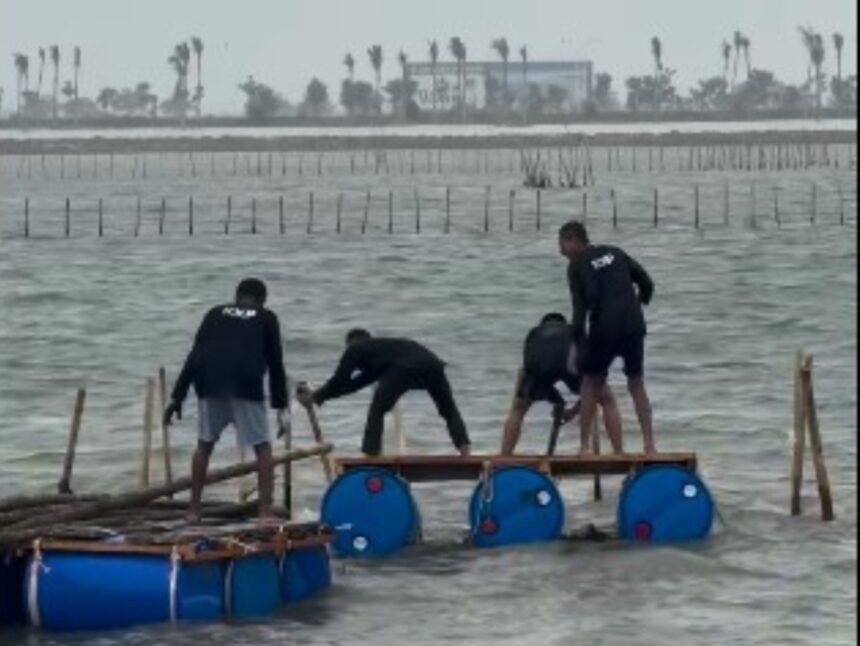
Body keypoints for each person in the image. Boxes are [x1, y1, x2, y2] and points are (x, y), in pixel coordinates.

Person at [163, 278, 289, 524]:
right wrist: (280, 407)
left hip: (210, 381)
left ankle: (193, 511)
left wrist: (177, 396)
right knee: (262, 448)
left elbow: (195, 354)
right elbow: (276, 362)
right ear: (262, 300)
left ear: (236, 296)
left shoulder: (214, 313)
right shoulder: (266, 316)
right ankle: (264, 512)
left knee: (204, 445)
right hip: (245, 383)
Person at [558, 220, 656, 455]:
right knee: (636, 383)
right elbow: (646, 282)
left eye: (562, 243)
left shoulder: (576, 266)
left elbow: (579, 310)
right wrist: (640, 301)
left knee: (591, 383)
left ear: (573, 240)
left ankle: (583, 447)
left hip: (605, 327)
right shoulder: (615, 252)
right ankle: (650, 445)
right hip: (633, 324)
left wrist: (578, 345)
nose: (560, 250)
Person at [297, 329, 471, 457]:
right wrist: (318, 397)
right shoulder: (382, 353)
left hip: (403, 369)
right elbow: (354, 385)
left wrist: (314, 397)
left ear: (350, 343)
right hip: (433, 365)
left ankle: (371, 456)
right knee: (448, 410)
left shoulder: (355, 349)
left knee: (377, 410)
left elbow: (339, 380)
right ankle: (465, 450)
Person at [500, 312, 624, 455]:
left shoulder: (534, 334)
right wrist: (574, 411)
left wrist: (557, 402)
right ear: (564, 323)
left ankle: (505, 454)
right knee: (607, 400)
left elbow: (529, 372)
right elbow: (592, 384)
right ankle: (616, 451)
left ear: (542, 324)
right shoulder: (572, 331)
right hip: (571, 361)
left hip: (539, 364)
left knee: (518, 409)